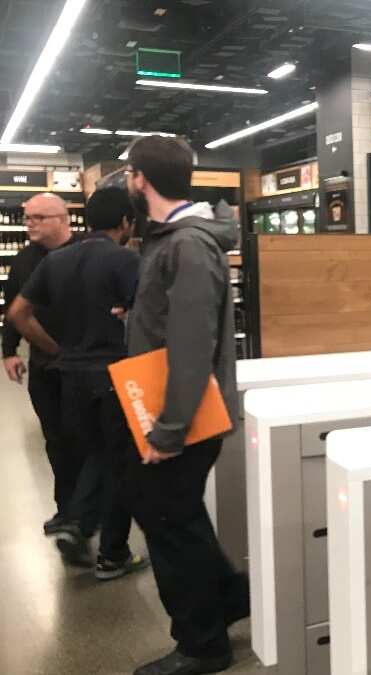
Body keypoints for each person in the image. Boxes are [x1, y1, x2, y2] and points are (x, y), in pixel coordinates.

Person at [122, 136, 248, 675]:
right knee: (181, 517)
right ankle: (228, 598)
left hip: (185, 414)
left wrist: (168, 431)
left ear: (139, 178)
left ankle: (202, 645)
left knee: (168, 523)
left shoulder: (187, 245)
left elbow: (193, 345)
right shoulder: (169, 239)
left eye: (128, 172)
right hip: (172, 406)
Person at [7, 187, 149, 576]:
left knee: (94, 455)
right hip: (113, 375)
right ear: (125, 222)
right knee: (118, 460)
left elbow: (18, 313)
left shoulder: (56, 262)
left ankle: (80, 522)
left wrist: (55, 349)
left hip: (70, 379)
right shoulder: (126, 260)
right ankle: (108, 549)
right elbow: (150, 317)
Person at [2, 192, 79, 536]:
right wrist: (9, 350)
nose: (28, 223)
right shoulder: (23, 261)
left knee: (86, 441)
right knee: (56, 440)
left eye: (37, 218)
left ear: (62, 219)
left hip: (83, 366)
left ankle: (90, 509)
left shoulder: (84, 253)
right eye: (26, 218)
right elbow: (12, 311)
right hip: (45, 366)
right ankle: (68, 509)